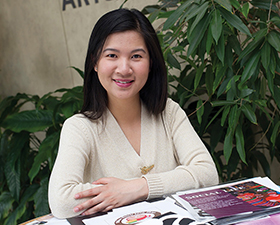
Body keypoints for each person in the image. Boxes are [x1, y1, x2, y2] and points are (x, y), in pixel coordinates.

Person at [48, 8, 219, 219]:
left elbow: (208, 174)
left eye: (136, 56)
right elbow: (61, 200)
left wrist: (137, 188)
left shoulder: (169, 112)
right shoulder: (80, 128)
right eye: (112, 55)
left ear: (151, 63)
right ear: (94, 62)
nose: (124, 68)